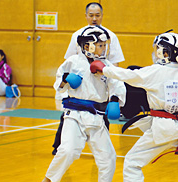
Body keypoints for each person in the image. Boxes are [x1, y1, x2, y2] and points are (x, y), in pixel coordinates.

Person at [90, 31, 178, 182]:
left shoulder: (153, 72)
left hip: (162, 129)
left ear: (164, 52)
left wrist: (103, 69)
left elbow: (127, 75)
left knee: (132, 163)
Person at [42, 26, 126, 182]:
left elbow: (117, 84)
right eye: (100, 45)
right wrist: (66, 79)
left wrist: (115, 100)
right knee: (67, 151)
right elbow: (59, 84)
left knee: (108, 158)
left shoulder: (106, 65)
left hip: (96, 118)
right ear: (88, 46)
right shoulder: (73, 62)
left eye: (104, 45)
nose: (104, 48)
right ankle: (48, 180)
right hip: (74, 115)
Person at [52, 2, 125, 155]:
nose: (94, 18)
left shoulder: (110, 36)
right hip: (79, 84)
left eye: (97, 15)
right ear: (85, 16)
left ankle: (99, 150)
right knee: (68, 115)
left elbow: (115, 62)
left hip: (101, 82)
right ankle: (58, 147)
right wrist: (68, 82)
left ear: (102, 16)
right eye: (91, 15)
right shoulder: (77, 35)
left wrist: (112, 84)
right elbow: (69, 61)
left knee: (102, 116)